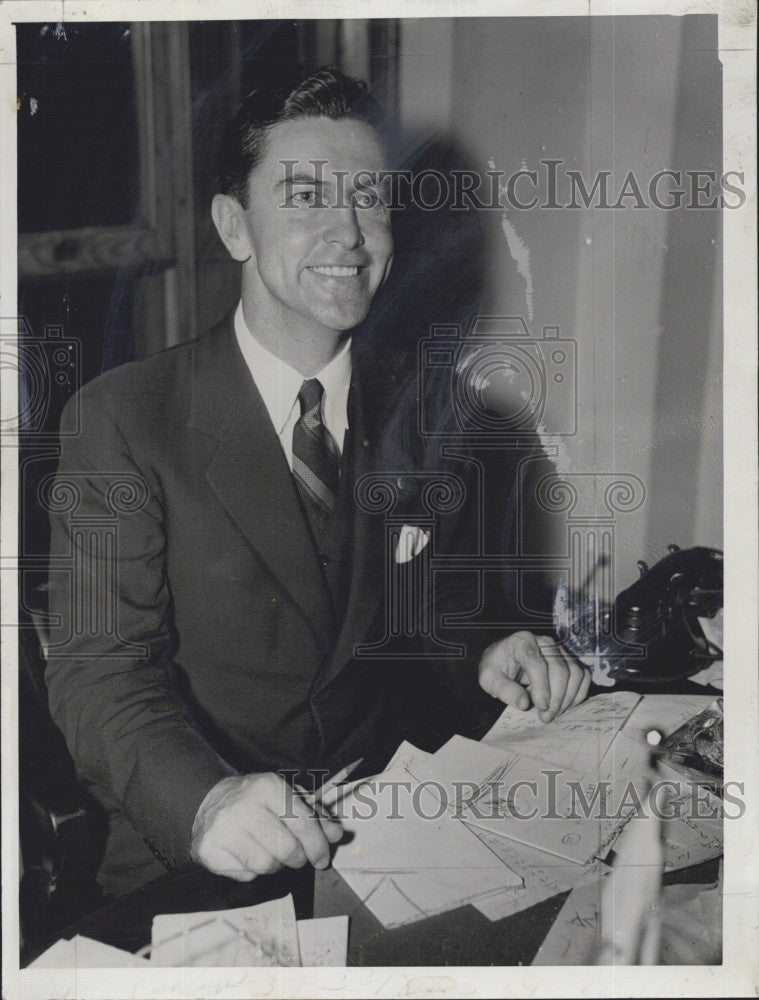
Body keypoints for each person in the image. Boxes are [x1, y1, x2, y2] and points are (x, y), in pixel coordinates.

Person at [45, 66, 590, 898]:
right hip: (203, 852)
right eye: (305, 197)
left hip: (389, 832)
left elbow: (408, 627)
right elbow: (99, 674)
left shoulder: (437, 413)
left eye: (369, 199)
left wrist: (484, 652)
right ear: (234, 227)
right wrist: (205, 803)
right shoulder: (123, 418)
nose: (349, 234)